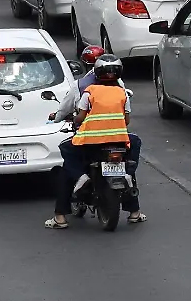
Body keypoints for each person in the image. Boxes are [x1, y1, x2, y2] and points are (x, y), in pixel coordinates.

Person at [45, 54, 144, 228]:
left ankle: (62, 212)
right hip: (119, 139)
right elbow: (126, 119)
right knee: (130, 157)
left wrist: (65, 118)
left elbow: (77, 115)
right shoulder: (121, 90)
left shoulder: (84, 88)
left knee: (66, 160)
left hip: (90, 141)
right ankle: (134, 210)